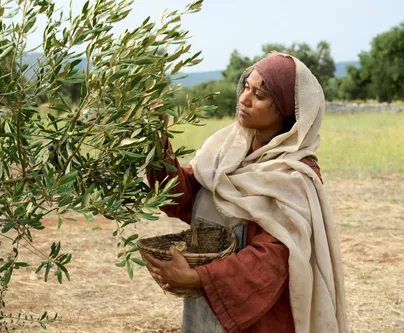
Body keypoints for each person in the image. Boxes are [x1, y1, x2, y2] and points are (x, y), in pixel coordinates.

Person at [145, 52, 348, 333]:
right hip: (212, 303)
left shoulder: (294, 177)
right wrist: (157, 141)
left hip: (260, 317)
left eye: (260, 95)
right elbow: (184, 199)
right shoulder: (225, 149)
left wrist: (199, 278)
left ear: (287, 111)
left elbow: (274, 258)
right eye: (246, 88)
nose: (244, 99)